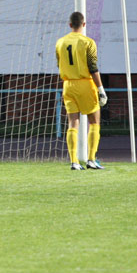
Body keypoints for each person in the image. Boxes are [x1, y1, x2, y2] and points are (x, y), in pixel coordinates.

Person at [54, 11, 108, 171]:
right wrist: (101, 89)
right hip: (85, 83)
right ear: (84, 24)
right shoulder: (88, 42)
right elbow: (93, 67)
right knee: (94, 121)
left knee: (72, 122)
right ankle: (91, 159)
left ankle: (74, 161)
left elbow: (59, 64)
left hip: (68, 85)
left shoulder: (60, 42)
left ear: (70, 25)